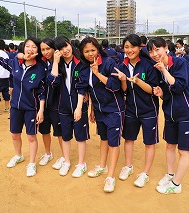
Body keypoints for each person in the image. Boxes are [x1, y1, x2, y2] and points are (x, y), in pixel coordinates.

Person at [0, 36, 46, 177]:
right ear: (24, 47)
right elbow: (3, 61)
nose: (30, 49)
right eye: (28, 46)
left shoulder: (40, 67)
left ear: (37, 50)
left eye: (34, 47)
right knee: (14, 134)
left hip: (31, 108)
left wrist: (41, 109)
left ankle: (32, 163)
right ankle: (18, 155)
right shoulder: (16, 62)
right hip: (15, 106)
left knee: (31, 136)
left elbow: (42, 91)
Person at [147, 37, 189, 194]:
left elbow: (179, 86)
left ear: (165, 47)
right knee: (169, 145)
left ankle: (176, 185)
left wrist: (164, 70)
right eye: (151, 51)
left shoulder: (180, 63)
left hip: (185, 112)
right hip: (170, 112)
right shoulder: (157, 68)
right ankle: (170, 174)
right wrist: (161, 93)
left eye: (157, 49)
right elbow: (168, 93)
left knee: (183, 151)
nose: (154, 54)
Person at [111, 34, 159, 189]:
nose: (129, 50)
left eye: (132, 46)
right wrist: (124, 80)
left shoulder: (148, 65)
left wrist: (138, 81)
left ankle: (145, 173)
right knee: (129, 139)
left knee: (149, 142)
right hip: (130, 109)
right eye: (126, 47)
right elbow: (124, 91)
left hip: (149, 110)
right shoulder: (122, 65)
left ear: (139, 47)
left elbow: (153, 90)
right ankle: (128, 166)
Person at [78, 36, 125, 192]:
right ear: (82, 53)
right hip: (99, 109)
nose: (90, 53)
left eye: (93, 50)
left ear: (98, 49)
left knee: (113, 142)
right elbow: (90, 89)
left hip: (114, 109)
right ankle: (102, 166)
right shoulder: (85, 67)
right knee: (103, 139)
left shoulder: (108, 63)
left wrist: (97, 73)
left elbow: (115, 86)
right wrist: (92, 109)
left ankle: (110, 177)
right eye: (86, 51)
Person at [47, 35, 89, 178]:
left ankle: (81, 164)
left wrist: (78, 108)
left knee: (80, 136)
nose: (65, 50)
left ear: (70, 44)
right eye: (60, 49)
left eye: (66, 46)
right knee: (65, 136)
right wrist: (55, 61)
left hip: (79, 106)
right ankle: (66, 161)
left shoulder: (81, 63)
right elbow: (52, 83)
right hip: (63, 107)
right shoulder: (57, 65)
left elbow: (82, 87)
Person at [37, 37, 64, 168]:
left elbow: (54, 82)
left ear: (54, 49)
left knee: (59, 132)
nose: (46, 52)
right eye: (43, 49)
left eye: (48, 49)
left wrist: (56, 62)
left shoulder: (61, 63)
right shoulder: (41, 63)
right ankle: (48, 154)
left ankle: (64, 156)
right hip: (43, 103)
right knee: (44, 131)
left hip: (57, 104)